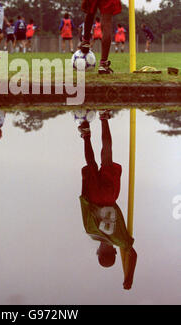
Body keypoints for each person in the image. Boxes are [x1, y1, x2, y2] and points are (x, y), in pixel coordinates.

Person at [78, 110, 137, 290]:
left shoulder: (120, 240)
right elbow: (84, 203)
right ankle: (86, 136)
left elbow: (133, 255)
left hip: (110, 197)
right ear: (100, 251)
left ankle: (104, 119)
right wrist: (86, 183)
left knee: (107, 157)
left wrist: (129, 277)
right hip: (95, 197)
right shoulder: (91, 232)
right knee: (92, 163)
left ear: (113, 252)